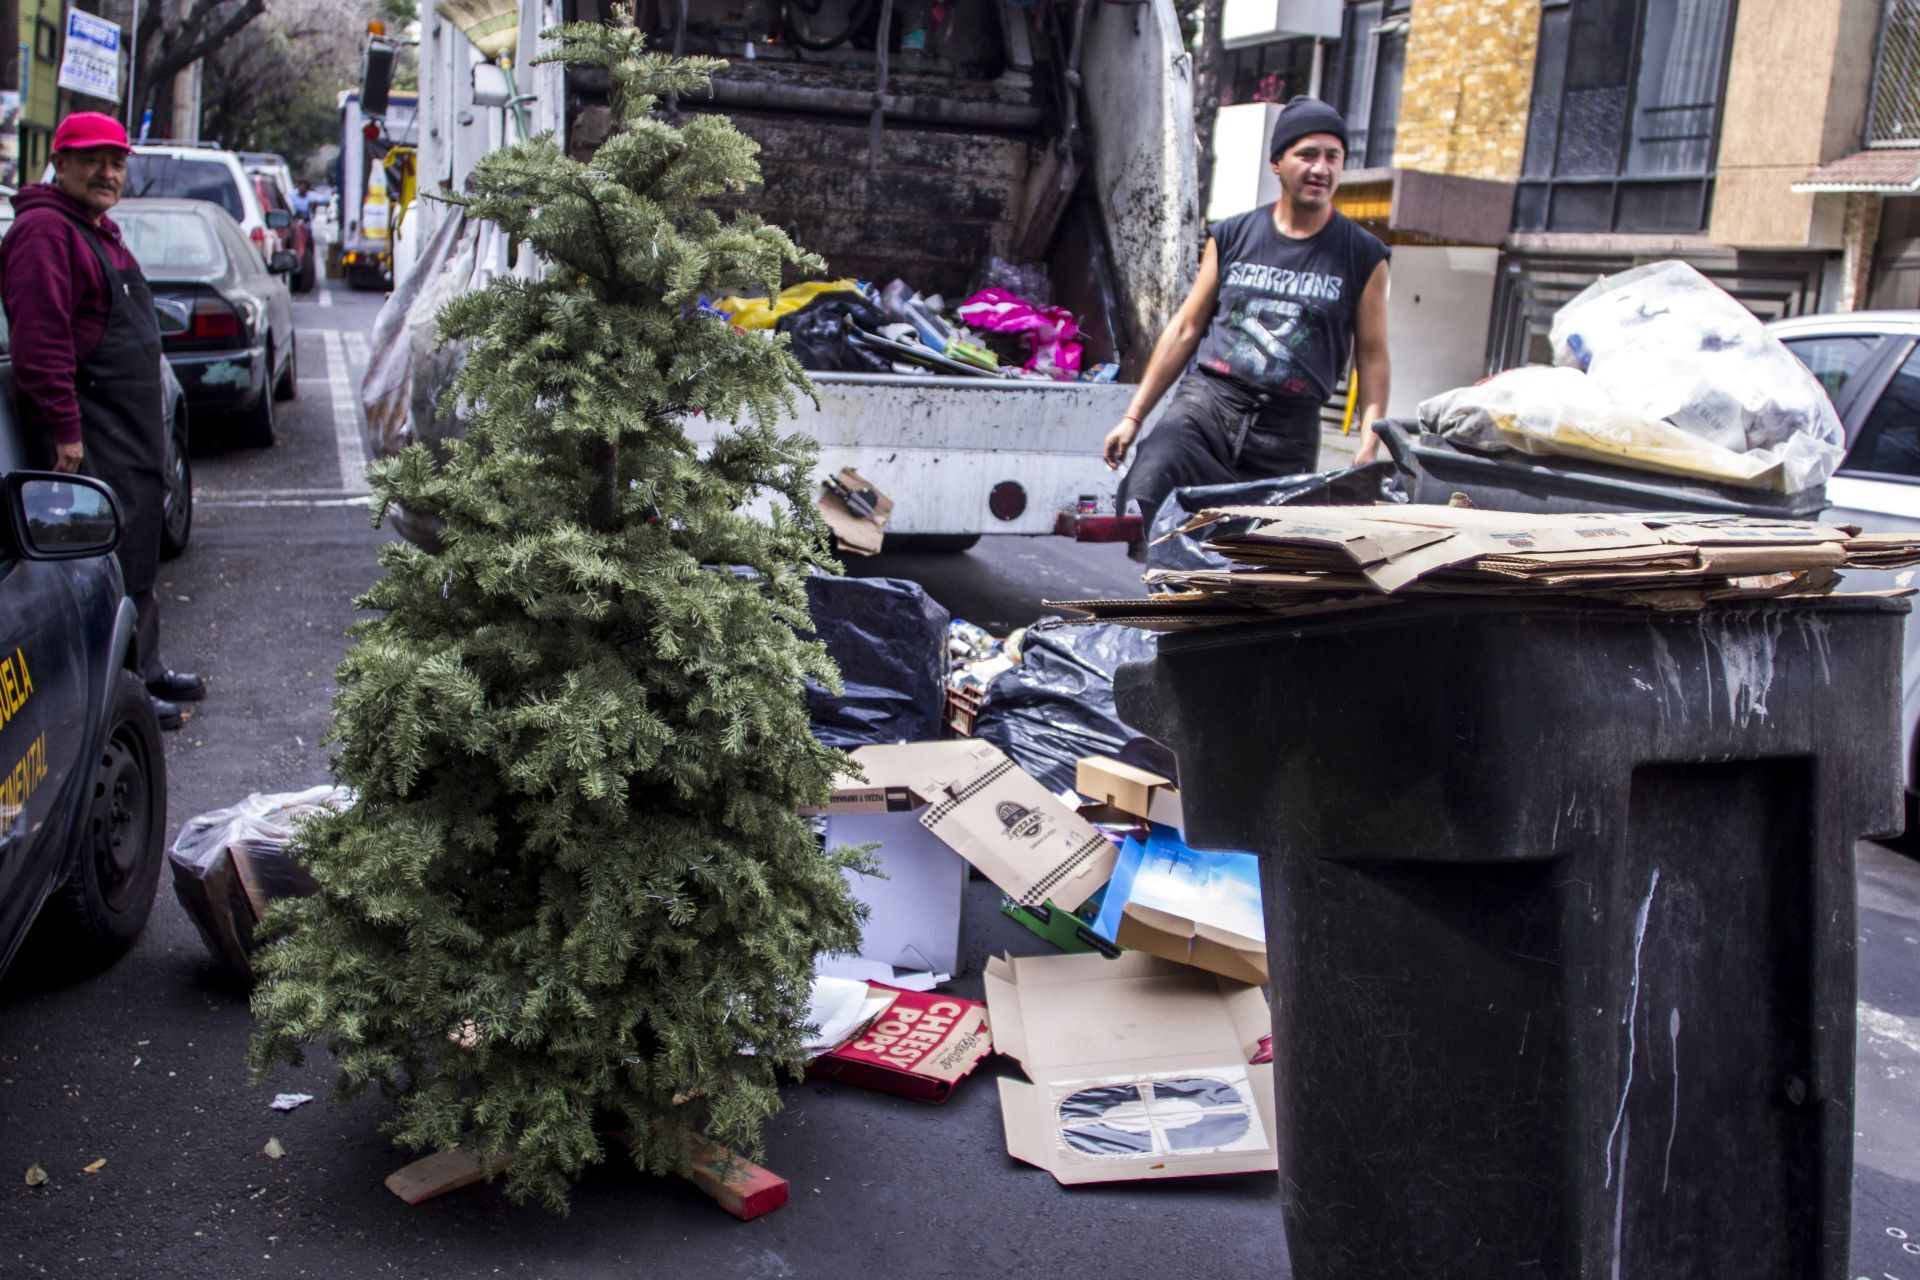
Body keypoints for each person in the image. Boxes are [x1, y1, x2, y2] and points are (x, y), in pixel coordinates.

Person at [1102, 96, 1391, 543]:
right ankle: (1161, 588)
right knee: (1155, 471)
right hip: (1210, 405)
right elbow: (1185, 328)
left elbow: (1372, 357)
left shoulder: (1363, 255)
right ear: (1277, 162)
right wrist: (1133, 417)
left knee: (1253, 553)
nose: (1321, 168)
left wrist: (1369, 440)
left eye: (1333, 157)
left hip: (1288, 431)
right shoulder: (1233, 236)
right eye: (1307, 154)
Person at [0, 111, 204, 729]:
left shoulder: (97, 230)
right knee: (99, 561)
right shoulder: (43, 233)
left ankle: (148, 667)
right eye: (92, 159)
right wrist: (64, 429)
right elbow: (41, 343)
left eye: (116, 161)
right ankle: (118, 689)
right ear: (58, 163)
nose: (107, 172)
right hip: (91, 432)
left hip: (129, 431)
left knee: (137, 546)